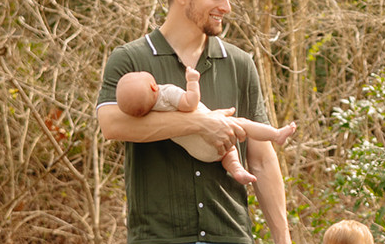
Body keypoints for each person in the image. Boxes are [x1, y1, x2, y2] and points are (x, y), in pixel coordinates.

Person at [96, 0, 299, 244]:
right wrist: (197, 123)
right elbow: (111, 124)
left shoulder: (240, 64)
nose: (226, 7)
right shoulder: (130, 59)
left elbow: (261, 159)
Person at [115, 66, 297, 185]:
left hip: (199, 153)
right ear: (154, 87)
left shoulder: (148, 115)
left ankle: (238, 171)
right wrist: (192, 82)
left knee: (228, 155)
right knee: (243, 124)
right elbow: (190, 103)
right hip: (210, 135)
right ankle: (276, 135)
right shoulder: (166, 93)